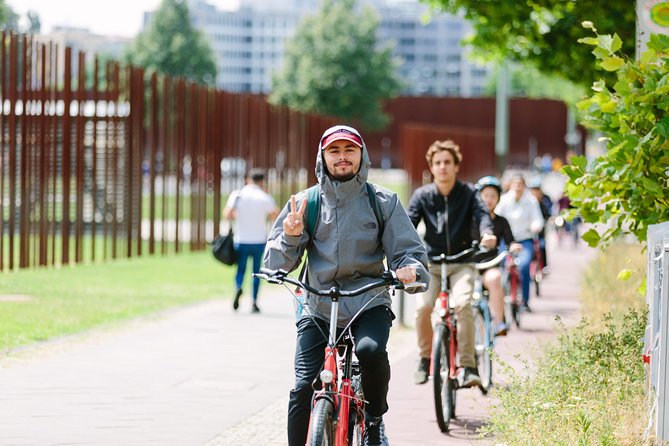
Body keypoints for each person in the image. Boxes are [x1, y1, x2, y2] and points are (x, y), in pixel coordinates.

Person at [264, 125, 429, 446]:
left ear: (361, 155)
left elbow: (410, 252)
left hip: (368, 300)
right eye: (334, 151)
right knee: (302, 386)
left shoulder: (383, 202)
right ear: (322, 157)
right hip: (318, 305)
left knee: (370, 351)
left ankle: (375, 420)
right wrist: (291, 235)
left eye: (349, 150)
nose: (342, 158)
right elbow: (275, 264)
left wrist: (409, 268)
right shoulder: (304, 203)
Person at [407, 140, 496, 387]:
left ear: (456, 166)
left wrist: (487, 234)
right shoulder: (422, 196)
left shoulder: (468, 193)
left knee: (464, 304)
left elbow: (482, 216)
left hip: (462, 261)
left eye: (447, 162)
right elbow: (406, 226)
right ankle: (425, 359)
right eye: (438, 163)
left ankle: (468, 366)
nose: (443, 167)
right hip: (432, 263)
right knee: (423, 308)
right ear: (431, 167)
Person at [223, 168, 279, 313]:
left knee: (240, 269)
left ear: (248, 179)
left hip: (241, 239)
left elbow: (227, 214)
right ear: (262, 181)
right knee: (256, 272)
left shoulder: (237, 195)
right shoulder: (264, 197)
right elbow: (275, 215)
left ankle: (238, 287)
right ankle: (254, 301)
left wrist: (239, 215)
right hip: (259, 240)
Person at [475, 176, 522, 336]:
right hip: (468, 266)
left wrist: (514, 246)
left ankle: (499, 322)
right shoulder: (470, 219)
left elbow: (510, 241)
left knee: (496, 279)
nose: (489, 200)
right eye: (485, 196)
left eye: (493, 196)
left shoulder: (502, 221)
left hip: (489, 266)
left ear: (498, 199)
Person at [494, 174, 544, 312]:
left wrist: (535, 226)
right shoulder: (503, 200)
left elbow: (537, 218)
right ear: (510, 185)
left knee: (524, 266)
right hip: (507, 239)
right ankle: (501, 296)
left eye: (520, 184)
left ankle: (525, 300)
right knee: (499, 266)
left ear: (524, 186)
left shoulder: (531, 201)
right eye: (515, 184)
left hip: (524, 238)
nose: (518, 187)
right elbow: (496, 215)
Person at [529, 180, 553, 273]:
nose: (535, 193)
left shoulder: (544, 203)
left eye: (537, 191)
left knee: (542, 246)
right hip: (529, 232)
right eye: (533, 191)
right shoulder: (528, 203)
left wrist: (549, 219)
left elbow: (548, 214)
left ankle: (544, 266)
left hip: (540, 231)